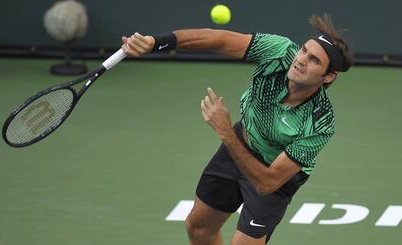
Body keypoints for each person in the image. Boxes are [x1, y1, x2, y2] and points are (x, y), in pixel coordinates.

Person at [121, 13, 352, 245]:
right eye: (304, 50)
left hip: (274, 175)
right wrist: (156, 42)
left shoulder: (320, 123)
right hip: (243, 141)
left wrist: (225, 132)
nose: (301, 60)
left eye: (314, 60)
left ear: (329, 76)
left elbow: (267, 183)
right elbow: (219, 39)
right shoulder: (279, 52)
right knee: (198, 228)